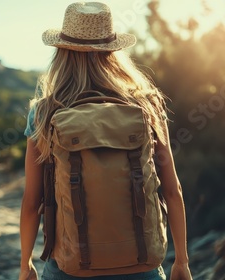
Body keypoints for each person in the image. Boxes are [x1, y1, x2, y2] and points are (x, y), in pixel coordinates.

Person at [19, 2, 192, 280]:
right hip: (142, 265)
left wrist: (25, 264)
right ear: (113, 52)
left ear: (62, 52)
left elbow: (31, 201)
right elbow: (172, 190)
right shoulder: (147, 105)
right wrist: (181, 261)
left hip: (69, 268)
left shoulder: (44, 112)